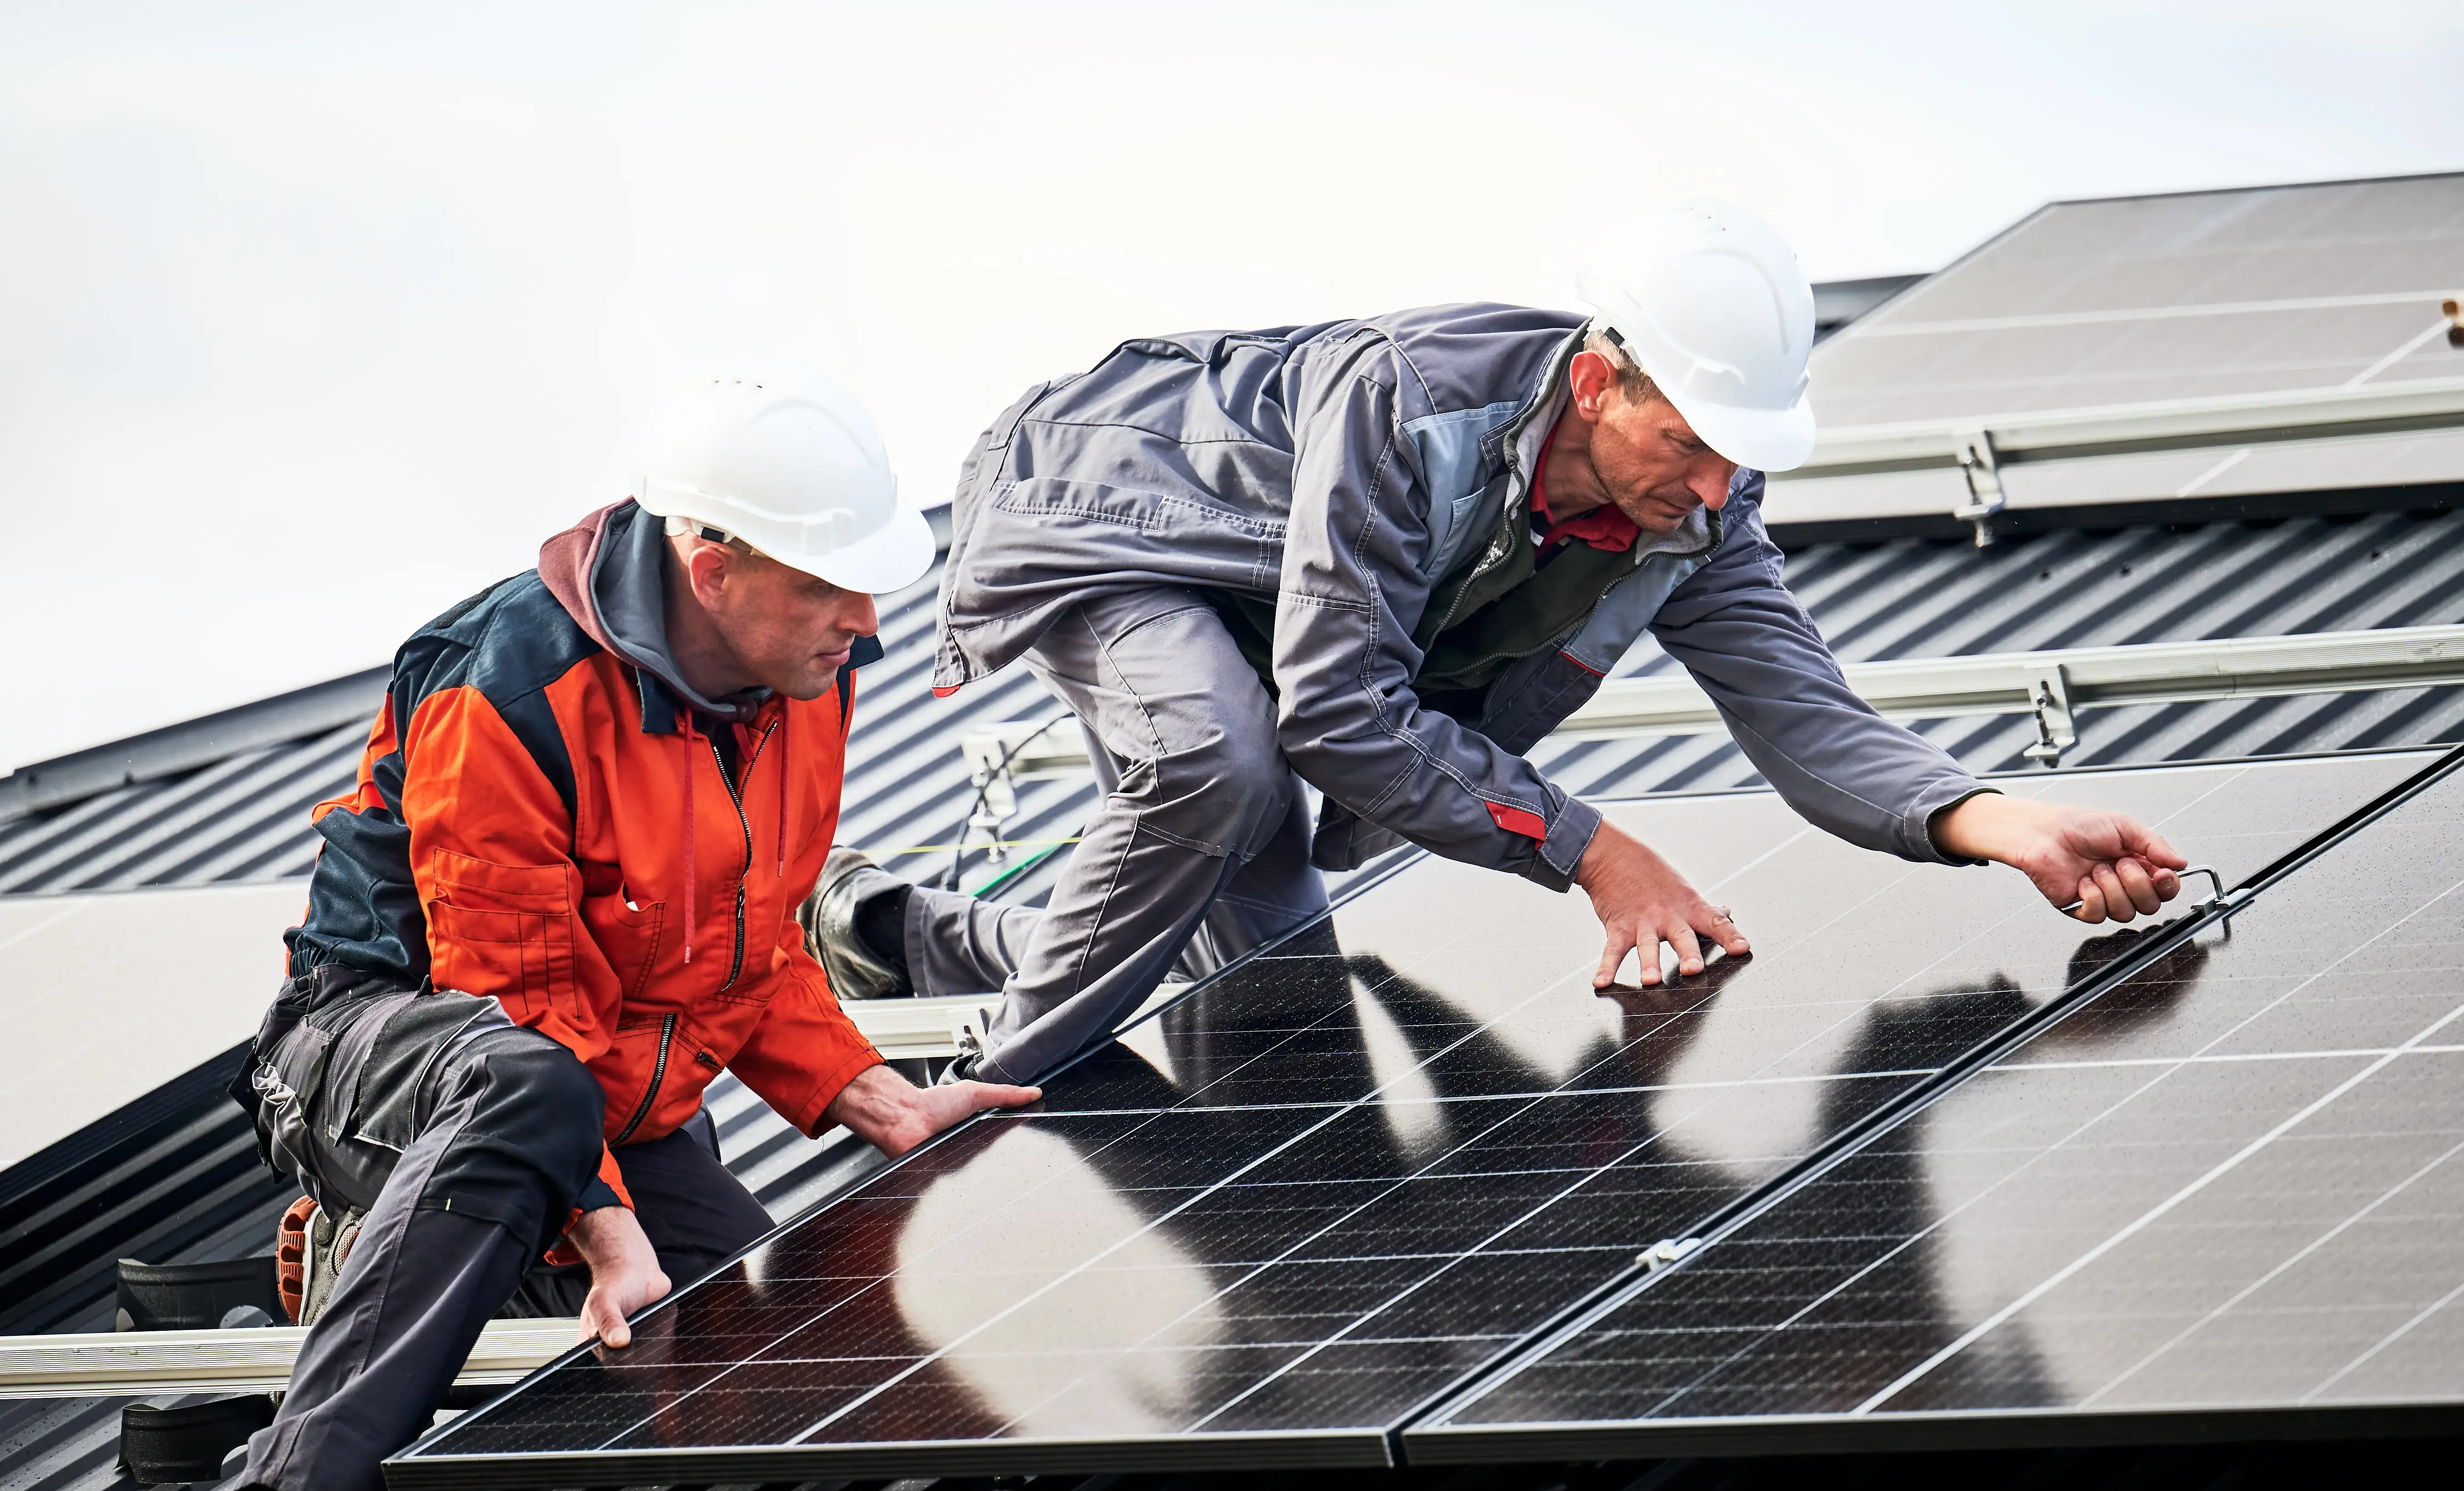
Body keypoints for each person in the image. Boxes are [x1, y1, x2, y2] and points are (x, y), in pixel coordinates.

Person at [802, 204, 2187, 1080]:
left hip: (1272, 606)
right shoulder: (1412, 413)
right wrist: (1594, 847)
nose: (1715, 488)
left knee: (1282, 1009)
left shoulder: (1694, 517)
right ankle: (983, 1091)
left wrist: (1993, 820)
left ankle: (892, 931)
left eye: (1739, 458)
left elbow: (1806, 718)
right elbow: (1338, 714)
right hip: (1117, 512)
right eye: (1690, 443)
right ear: (1599, 380)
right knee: (1219, 764)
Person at [194, 370, 1040, 1491]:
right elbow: (507, 1000)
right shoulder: (508, 685)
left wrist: (880, 1095)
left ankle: (384, 1241)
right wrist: (605, 1221)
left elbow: (750, 945)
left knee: (784, 1383)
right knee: (527, 1099)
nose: (866, 622)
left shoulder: (803, 682)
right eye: (829, 586)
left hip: (597, 1087)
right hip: (381, 1051)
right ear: (711, 568)